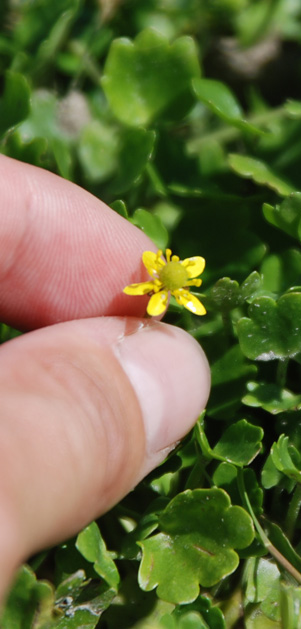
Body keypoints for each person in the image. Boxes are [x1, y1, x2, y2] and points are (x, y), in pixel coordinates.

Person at [0, 155, 211, 600]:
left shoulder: (170, 287)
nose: (175, 270)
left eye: (179, 273)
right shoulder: (149, 288)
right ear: (161, 274)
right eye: (170, 269)